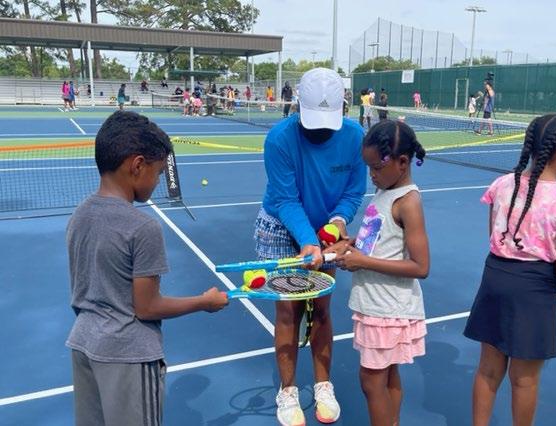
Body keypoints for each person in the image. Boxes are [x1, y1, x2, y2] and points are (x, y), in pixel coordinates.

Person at [66, 110, 228, 426]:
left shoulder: (79, 215)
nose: (158, 182)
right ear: (137, 165)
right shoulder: (143, 228)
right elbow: (147, 307)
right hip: (129, 355)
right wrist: (204, 302)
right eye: (158, 172)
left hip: (83, 345)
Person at [463, 114, 556, 426]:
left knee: (487, 370)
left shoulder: (501, 185)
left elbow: (496, 239)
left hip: (494, 278)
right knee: (524, 380)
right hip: (533, 292)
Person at [254, 68, 366, 426]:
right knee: (288, 312)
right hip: (281, 227)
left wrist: (338, 223)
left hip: (327, 230)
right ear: (299, 105)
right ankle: (287, 392)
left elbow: (353, 191)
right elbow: (286, 199)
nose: (320, 130)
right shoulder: (279, 139)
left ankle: (323, 386)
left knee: (321, 309)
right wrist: (307, 241)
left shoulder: (355, 136)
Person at [330, 119, 430, 426]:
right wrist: (351, 244)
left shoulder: (407, 202)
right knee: (386, 376)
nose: (371, 175)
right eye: (368, 168)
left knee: (371, 381)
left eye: (376, 168)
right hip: (376, 303)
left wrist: (363, 262)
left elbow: (421, 266)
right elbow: (378, 241)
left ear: (402, 163)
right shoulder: (384, 190)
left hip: (387, 308)